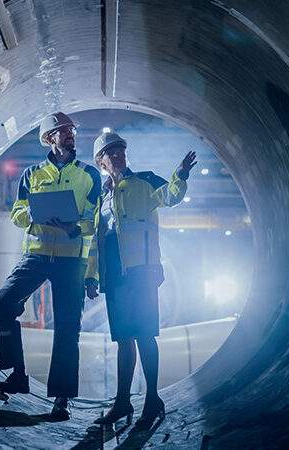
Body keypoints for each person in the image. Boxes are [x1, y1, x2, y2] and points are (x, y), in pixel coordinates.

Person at [0, 112, 101, 421]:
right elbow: (16, 213)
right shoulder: (31, 174)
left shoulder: (89, 175)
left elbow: (94, 218)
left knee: (67, 327)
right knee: (4, 303)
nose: (70, 135)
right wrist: (34, 217)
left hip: (71, 260)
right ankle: (18, 373)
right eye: (64, 131)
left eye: (72, 131)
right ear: (50, 138)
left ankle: (62, 398)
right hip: (37, 255)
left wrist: (74, 228)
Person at [86, 131, 196, 428]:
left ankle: (151, 399)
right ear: (101, 161)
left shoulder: (145, 181)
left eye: (121, 150)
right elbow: (96, 242)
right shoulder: (100, 197)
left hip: (142, 272)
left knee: (146, 335)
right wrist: (91, 276)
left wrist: (181, 174)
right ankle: (122, 402)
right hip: (115, 276)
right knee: (124, 340)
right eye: (112, 152)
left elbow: (171, 195)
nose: (119, 155)